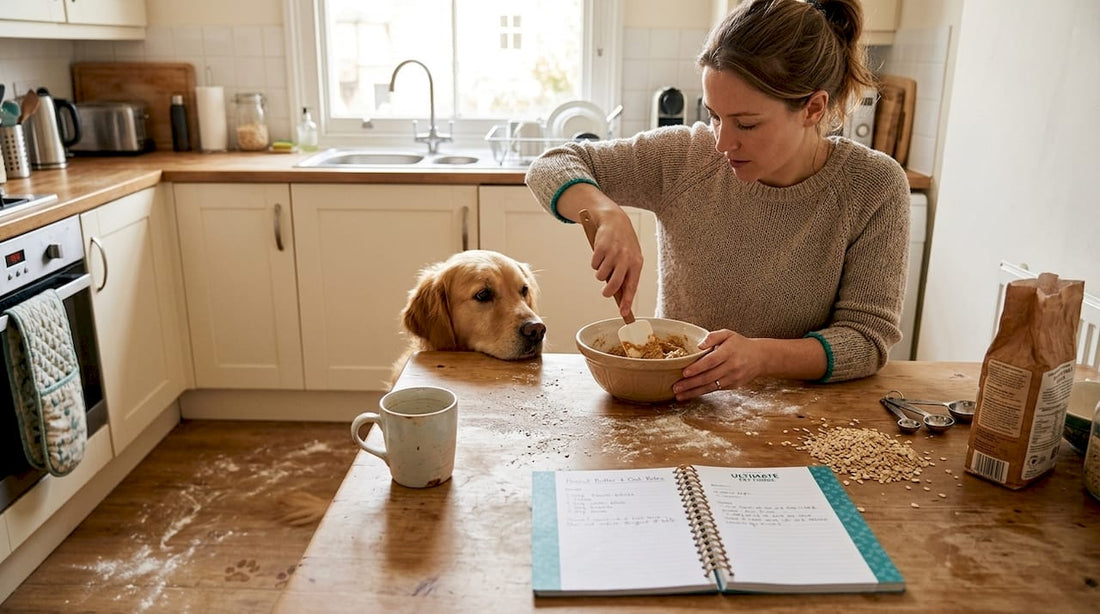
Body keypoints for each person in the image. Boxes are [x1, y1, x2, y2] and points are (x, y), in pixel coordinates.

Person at [525, 0, 911, 401]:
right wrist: (605, 212)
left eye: (746, 123)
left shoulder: (873, 186)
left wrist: (762, 357)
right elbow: (551, 164)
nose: (723, 143)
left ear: (813, 108)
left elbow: (867, 340)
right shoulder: (686, 156)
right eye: (713, 115)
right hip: (679, 403)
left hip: (801, 414)